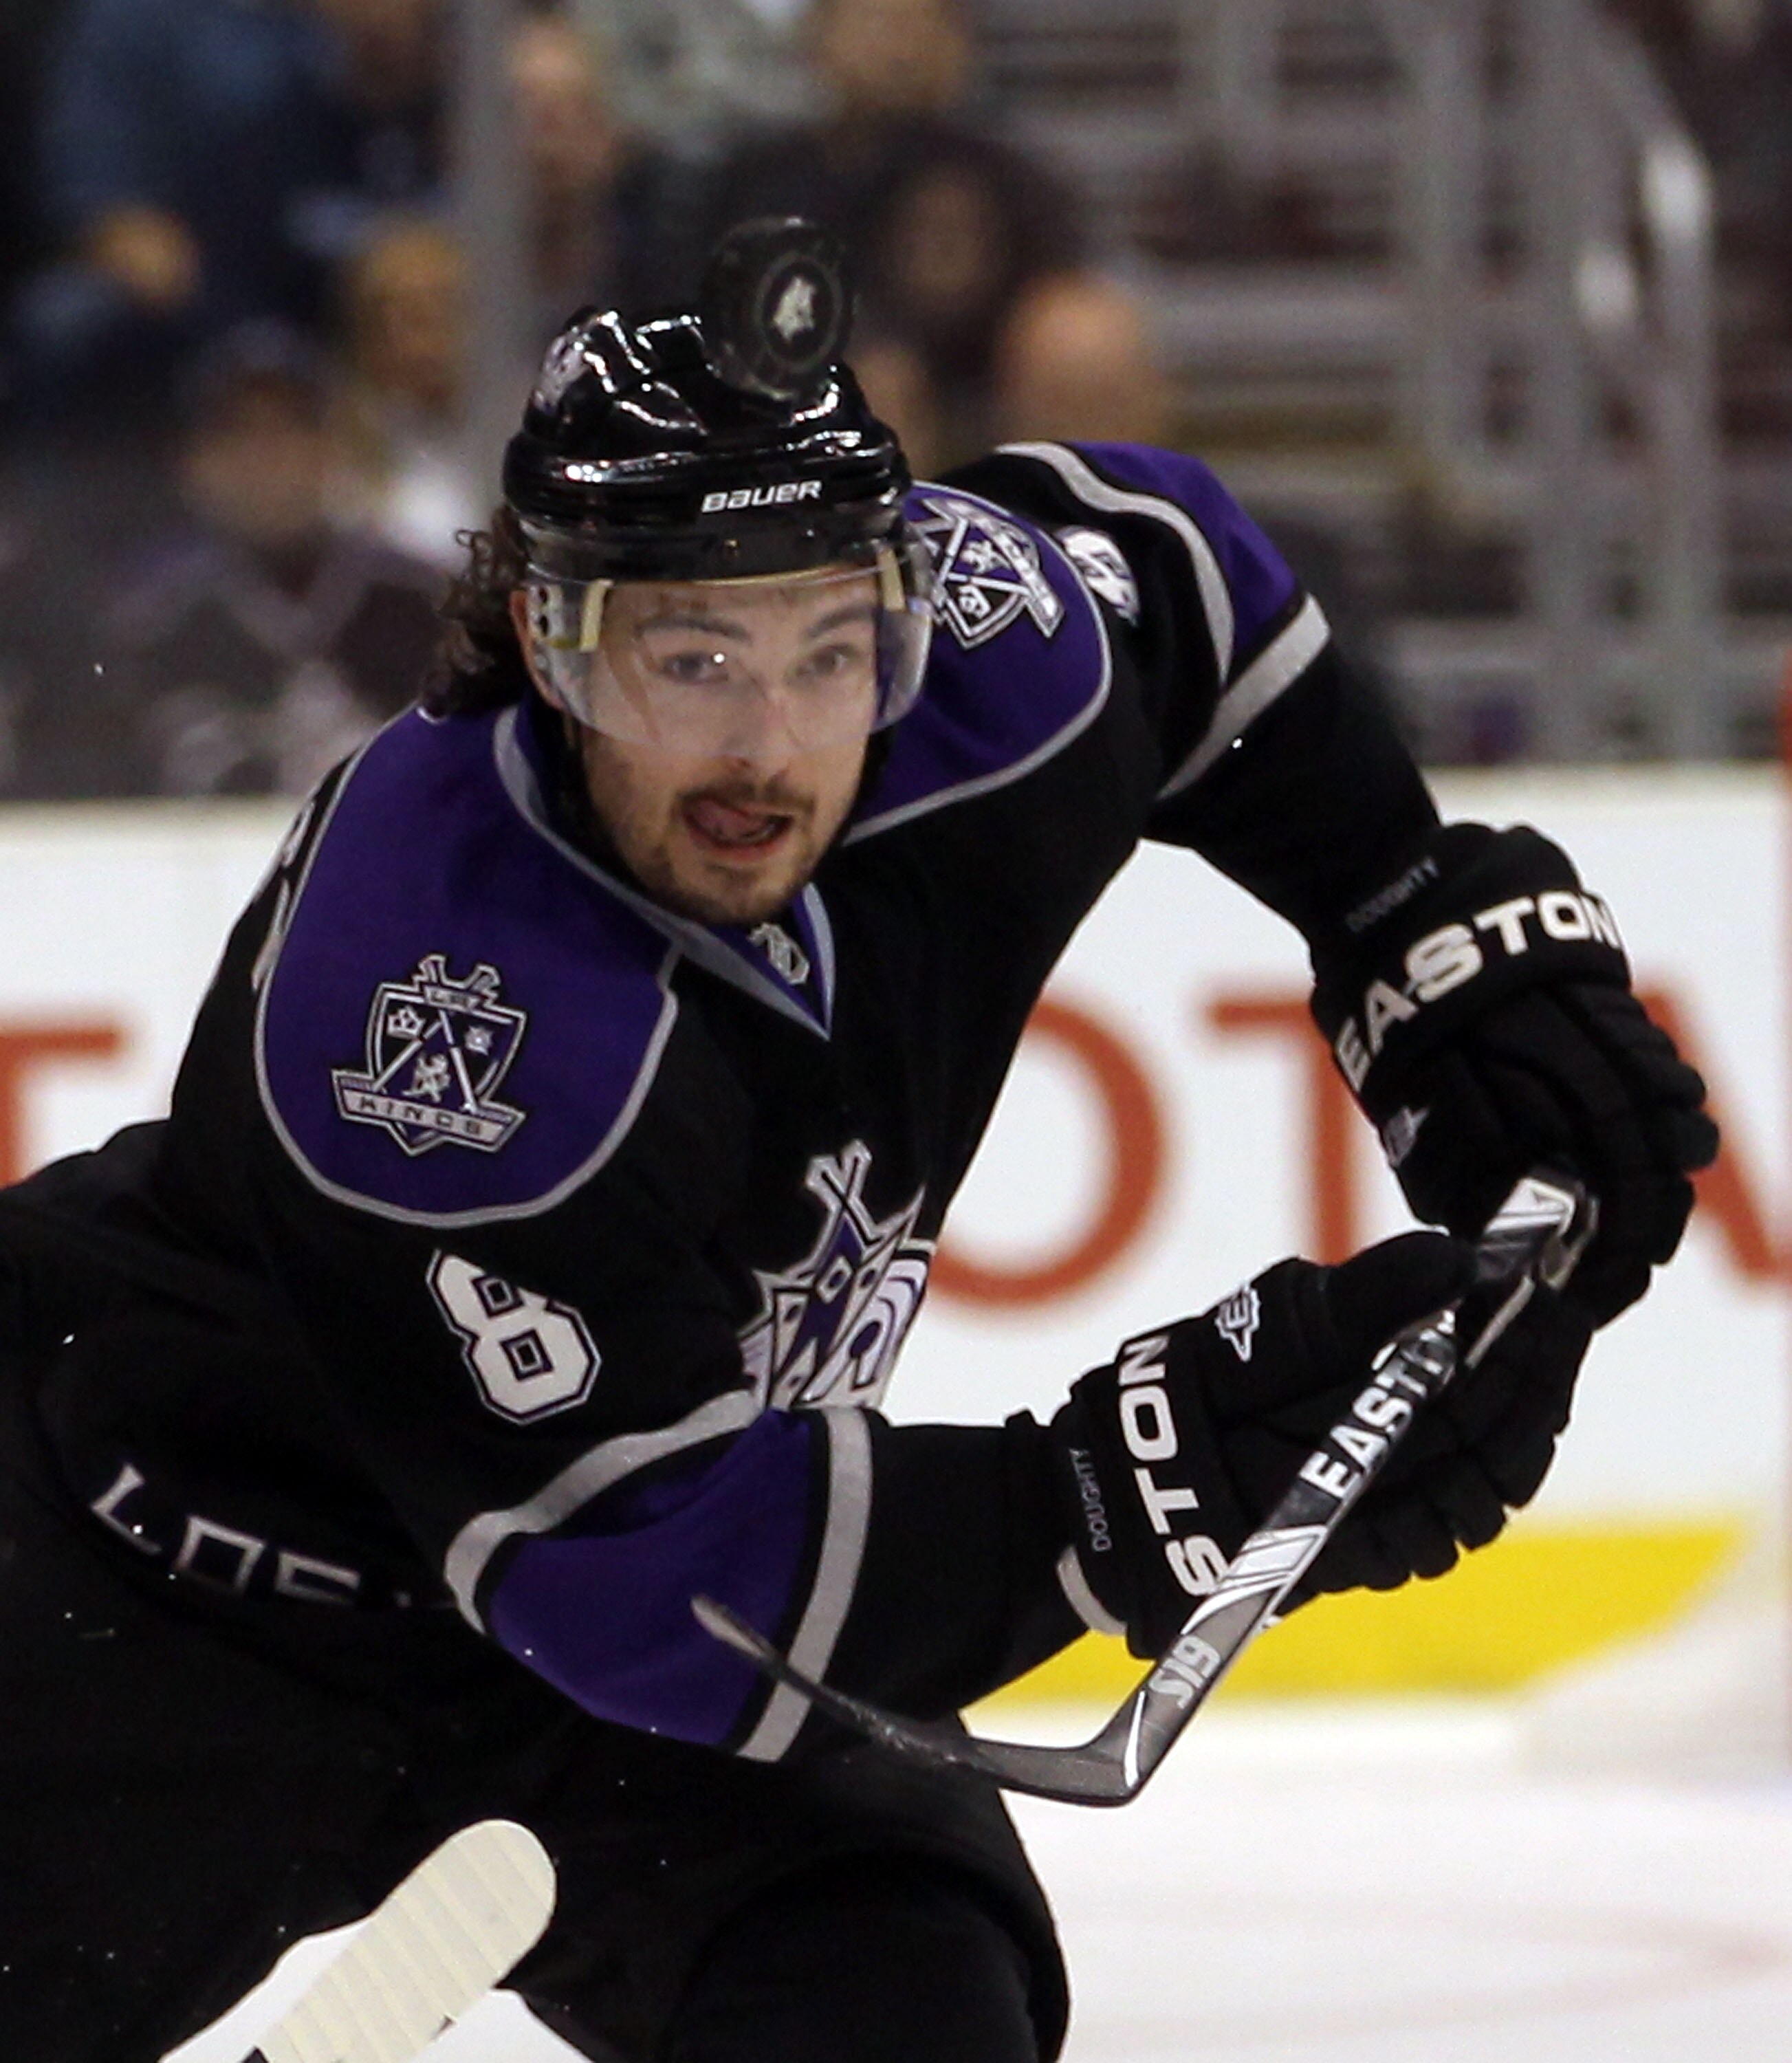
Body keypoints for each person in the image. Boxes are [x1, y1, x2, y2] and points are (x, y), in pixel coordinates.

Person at [0, 221, 1716, 2061]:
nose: (771, 747)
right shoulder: (443, 1017)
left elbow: (1180, 578)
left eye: (833, 649)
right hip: (167, 1600)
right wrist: (1129, 1498)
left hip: (634, 1640)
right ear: (542, 643)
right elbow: (651, 1586)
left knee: (910, 2014)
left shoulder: (981, 685)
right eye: (692, 661)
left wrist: (1405, 916)